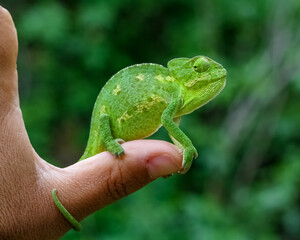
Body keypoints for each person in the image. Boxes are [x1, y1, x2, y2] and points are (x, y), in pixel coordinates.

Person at [0, 5, 183, 239]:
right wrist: (109, 142)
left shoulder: (174, 96)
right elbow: (106, 117)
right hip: (106, 124)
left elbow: (171, 120)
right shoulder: (172, 88)